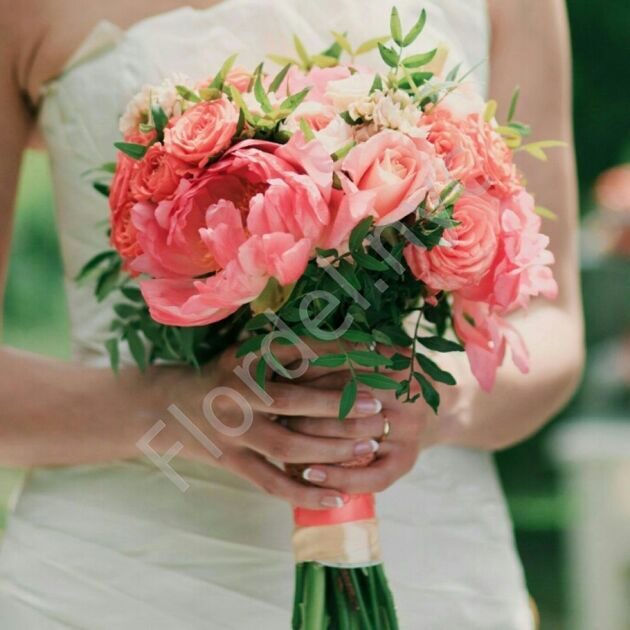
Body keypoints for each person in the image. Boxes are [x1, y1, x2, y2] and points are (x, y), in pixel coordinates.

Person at [0, 0, 583, 627]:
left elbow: (550, 323)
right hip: (112, 581)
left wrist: (437, 403)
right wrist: (174, 407)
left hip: (431, 567)